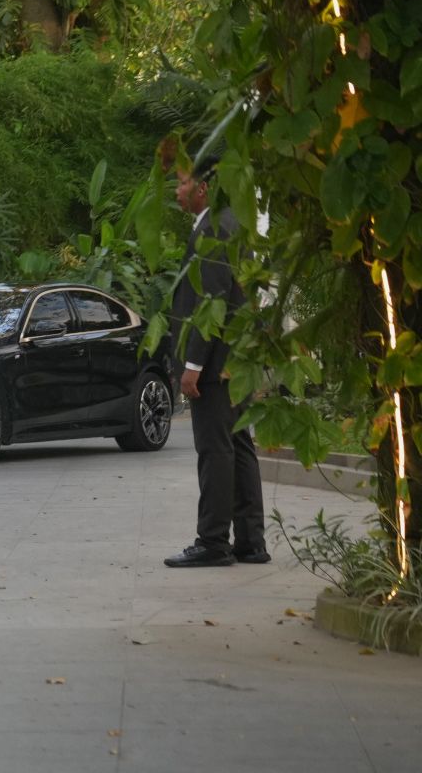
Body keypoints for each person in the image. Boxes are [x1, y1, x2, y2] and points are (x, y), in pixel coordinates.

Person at [163, 158, 268, 568]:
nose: (176, 191)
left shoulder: (212, 229)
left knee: (215, 450)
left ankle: (212, 542)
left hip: (216, 362)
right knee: (239, 446)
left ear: (203, 188)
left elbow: (212, 300)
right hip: (236, 360)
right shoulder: (230, 222)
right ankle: (250, 542)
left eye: (181, 183)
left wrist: (193, 363)